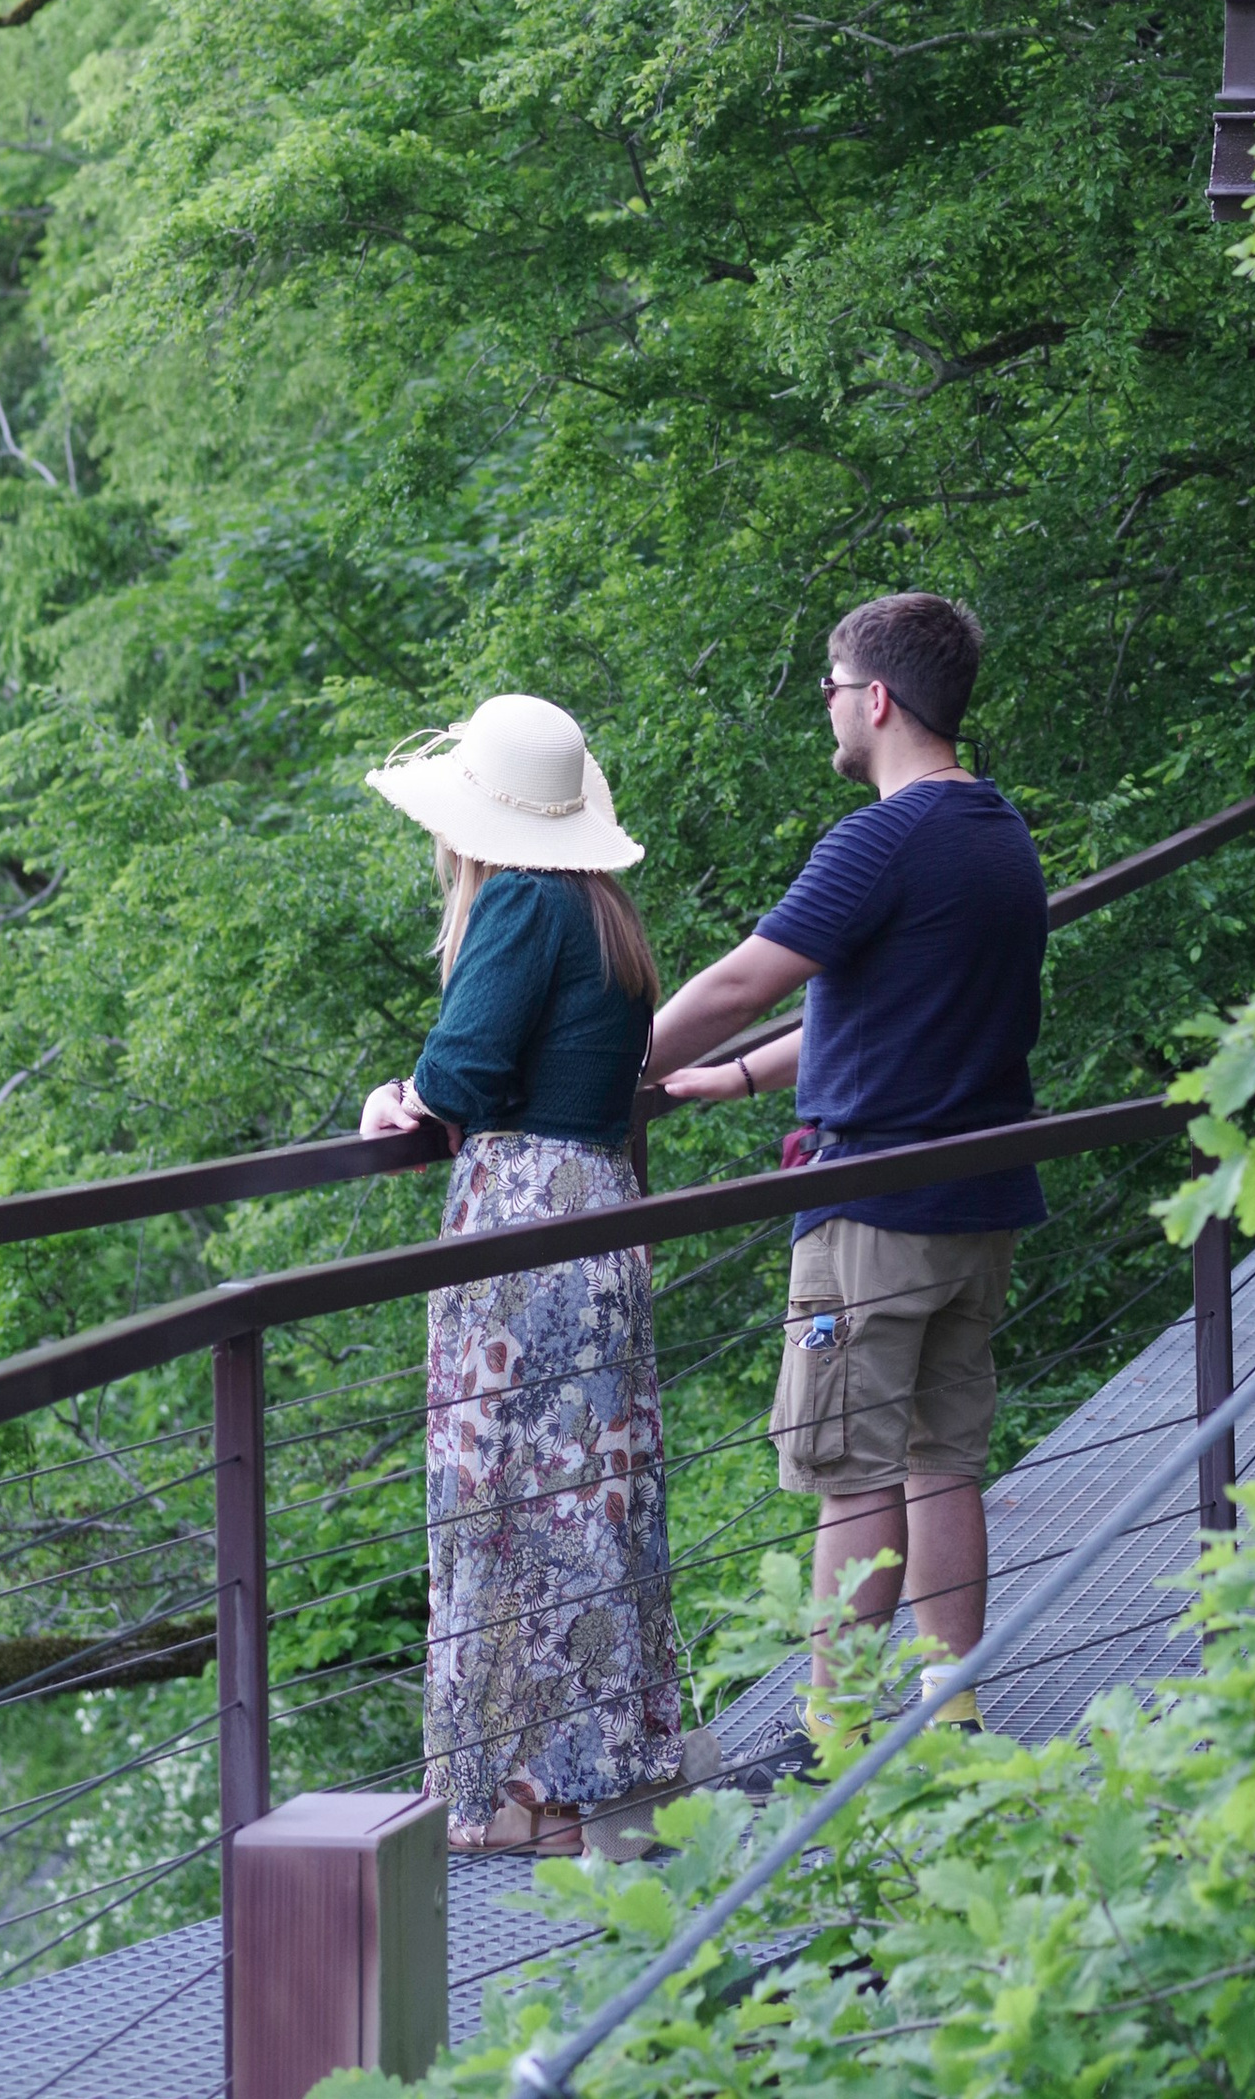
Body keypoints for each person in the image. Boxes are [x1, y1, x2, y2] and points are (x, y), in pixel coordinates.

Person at [648, 591, 1045, 1731]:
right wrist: (732, 1079)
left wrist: (610, 1060)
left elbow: (740, 983)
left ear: (874, 698)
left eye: (829, 686)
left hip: (875, 1210)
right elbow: (882, 1005)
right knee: (942, 1459)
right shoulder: (996, 832)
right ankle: (952, 1706)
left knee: (850, 1467)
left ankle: (834, 1730)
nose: (824, 707)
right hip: (979, 1197)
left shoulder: (881, 836)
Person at [360, 693, 684, 1857]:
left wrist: (400, 1098)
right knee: (588, 1500)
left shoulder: (521, 901)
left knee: (496, 1501)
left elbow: (466, 1066)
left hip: (521, 1227)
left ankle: (513, 1795)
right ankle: (582, 1783)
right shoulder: (606, 912)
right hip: (598, 1208)